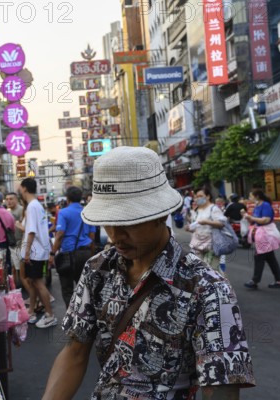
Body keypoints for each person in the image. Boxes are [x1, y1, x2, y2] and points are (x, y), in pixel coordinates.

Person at [42, 147, 255, 400]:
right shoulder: (97, 270)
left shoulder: (208, 287)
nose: (115, 235)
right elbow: (75, 352)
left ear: (160, 214)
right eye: (108, 221)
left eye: (128, 222)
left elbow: (222, 386)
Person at [19, 178, 56, 329]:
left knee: (38, 283)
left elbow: (32, 231)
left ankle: (49, 315)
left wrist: (27, 252)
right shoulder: (37, 206)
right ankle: (32, 311)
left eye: (21, 188)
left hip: (34, 251)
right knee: (34, 283)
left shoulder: (32, 207)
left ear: (25, 189)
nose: (20, 191)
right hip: (39, 250)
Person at [49, 186, 95, 306]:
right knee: (84, 288)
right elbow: (92, 235)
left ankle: (71, 318)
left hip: (68, 255)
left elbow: (59, 235)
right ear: (80, 198)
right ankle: (85, 315)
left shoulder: (64, 212)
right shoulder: (87, 212)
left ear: (68, 198)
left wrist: (52, 254)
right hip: (85, 253)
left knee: (67, 289)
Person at [243, 189, 280, 289]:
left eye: (251, 196)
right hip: (260, 234)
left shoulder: (265, 205)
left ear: (257, 196)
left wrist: (252, 218)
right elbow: (254, 220)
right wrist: (247, 217)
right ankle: (279, 280)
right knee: (270, 258)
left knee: (259, 257)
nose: (250, 198)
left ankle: (255, 281)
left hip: (265, 234)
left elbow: (266, 219)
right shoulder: (257, 206)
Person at [185, 188, 226, 272]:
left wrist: (206, 222)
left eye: (201, 196)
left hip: (212, 246)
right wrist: (189, 228)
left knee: (213, 272)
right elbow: (196, 227)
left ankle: (223, 284)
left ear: (208, 196)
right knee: (202, 272)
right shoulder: (198, 211)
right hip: (198, 246)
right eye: (196, 196)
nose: (198, 198)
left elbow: (222, 224)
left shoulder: (213, 209)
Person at [6, 192, 24, 279]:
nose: (9, 201)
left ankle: (22, 284)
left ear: (16, 199)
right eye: (7, 199)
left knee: (21, 266)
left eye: (11, 199)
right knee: (14, 266)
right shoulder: (7, 211)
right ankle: (16, 285)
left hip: (21, 242)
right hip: (12, 242)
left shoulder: (21, 210)